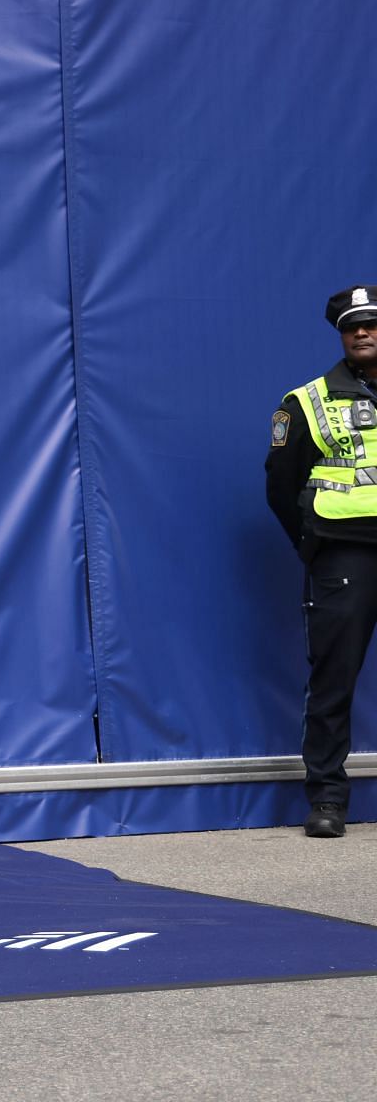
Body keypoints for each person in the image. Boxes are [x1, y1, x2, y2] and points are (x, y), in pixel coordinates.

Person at [266, 285, 377, 838]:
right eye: (352, 325)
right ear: (341, 333)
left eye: (372, 323)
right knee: (333, 677)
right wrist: (311, 544)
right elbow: (281, 487)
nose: (362, 332)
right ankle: (328, 799)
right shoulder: (305, 402)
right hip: (345, 553)